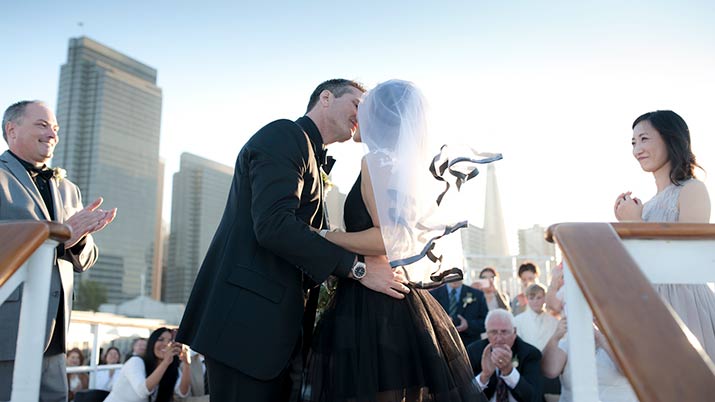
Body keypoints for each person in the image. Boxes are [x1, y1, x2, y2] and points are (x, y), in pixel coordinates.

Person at [175, 79, 408, 402]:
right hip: (246, 328)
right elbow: (273, 224)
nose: (362, 115)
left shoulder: (313, 153)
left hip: (278, 333)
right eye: (357, 104)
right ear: (325, 98)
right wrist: (358, 270)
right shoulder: (284, 135)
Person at [302, 79, 495, 401]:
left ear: (381, 118)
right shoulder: (401, 166)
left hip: (373, 307)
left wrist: (326, 236)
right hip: (395, 303)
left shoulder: (375, 162)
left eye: (364, 111)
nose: (356, 119)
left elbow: (389, 239)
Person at [0, 100, 116, 401]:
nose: (52, 134)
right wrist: (59, 239)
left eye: (56, 128)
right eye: (42, 125)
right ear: (12, 130)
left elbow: (85, 260)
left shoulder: (69, 189)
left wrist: (79, 238)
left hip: (57, 336)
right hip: (8, 332)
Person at [613, 110, 714, 361]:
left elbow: (690, 257)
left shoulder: (692, 189)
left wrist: (635, 222)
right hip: (649, 304)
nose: (637, 149)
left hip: (685, 303)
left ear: (670, 138)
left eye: (644, 139)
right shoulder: (645, 205)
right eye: (634, 142)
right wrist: (628, 224)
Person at [541, 319, 637, 402]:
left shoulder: (624, 342)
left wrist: (602, 340)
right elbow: (549, 371)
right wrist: (555, 337)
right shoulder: (568, 343)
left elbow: (630, 372)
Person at [467, 309, 543, 402]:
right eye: (493, 332)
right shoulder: (474, 351)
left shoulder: (530, 354)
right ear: (487, 333)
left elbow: (533, 398)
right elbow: (466, 395)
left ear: (514, 332)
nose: (499, 338)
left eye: (504, 332)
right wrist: (484, 376)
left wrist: (509, 371)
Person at [104, 327, 191, 402]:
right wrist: (165, 362)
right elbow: (142, 391)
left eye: (170, 341)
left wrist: (187, 364)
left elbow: (182, 393)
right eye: (161, 339)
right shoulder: (135, 362)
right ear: (151, 343)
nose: (166, 344)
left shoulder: (170, 368)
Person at [431, 280, 489, 346]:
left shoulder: (477, 295)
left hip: (469, 346)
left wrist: (468, 325)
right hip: (441, 345)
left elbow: (486, 322)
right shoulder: (433, 295)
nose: (455, 277)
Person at [514, 284, 559, 352]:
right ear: (527, 299)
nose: (535, 301)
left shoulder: (554, 322)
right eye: (531, 298)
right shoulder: (518, 321)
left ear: (544, 298)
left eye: (539, 298)